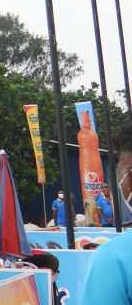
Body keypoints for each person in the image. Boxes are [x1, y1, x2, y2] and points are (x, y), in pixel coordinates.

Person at [82, 127, 132, 302]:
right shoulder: (99, 199)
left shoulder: (112, 259)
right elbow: (99, 211)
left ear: (128, 179)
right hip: (106, 223)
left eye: (120, 170)